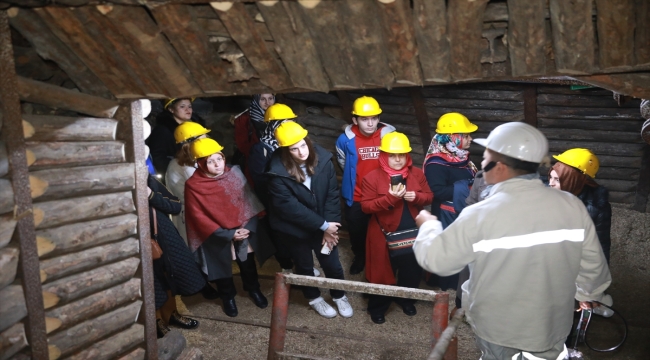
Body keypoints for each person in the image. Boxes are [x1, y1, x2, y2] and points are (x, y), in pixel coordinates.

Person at [413, 122, 611, 360]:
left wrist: (428, 226)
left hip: (498, 329)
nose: (483, 162)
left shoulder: (480, 214)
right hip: (552, 325)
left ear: (500, 166)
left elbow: (437, 260)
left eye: (486, 156)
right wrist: (586, 294)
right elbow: (593, 269)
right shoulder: (572, 206)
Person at [266, 121, 353, 319]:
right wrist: (324, 225)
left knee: (332, 264)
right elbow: (290, 209)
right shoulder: (276, 173)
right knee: (304, 265)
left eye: (303, 145)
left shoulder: (323, 160)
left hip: (324, 223)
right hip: (294, 229)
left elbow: (332, 194)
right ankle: (314, 298)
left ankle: (339, 295)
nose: (301, 152)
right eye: (294, 149)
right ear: (285, 151)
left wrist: (330, 227)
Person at [184, 138, 269, 317]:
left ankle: (253, 289)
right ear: (200, 163)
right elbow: (197, 217)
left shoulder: (235, 173)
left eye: (219, 159)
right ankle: (227, 296)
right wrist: (228, 234)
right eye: (210, 161)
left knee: (247, 263)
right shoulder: (194, 185)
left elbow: (249, 201)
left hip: (243, 229)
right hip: (216, 235)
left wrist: (246, 228)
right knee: (220, 267)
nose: (217, 164)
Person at [360, 132, 432, 324]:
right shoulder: (372, 177)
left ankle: (406, 300)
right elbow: (366, 207)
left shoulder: (417, 173)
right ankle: (378, 306)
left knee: (411, 271)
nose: (398, 159)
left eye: (402, 155)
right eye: (392, 155)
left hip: (413, 233)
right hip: (384, 234)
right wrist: (390, 198)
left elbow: (429, 196)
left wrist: (416, 197)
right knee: (382, 272)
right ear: (383, 155)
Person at [248, 104, 315, 274]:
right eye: (280, 122)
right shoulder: (261, 149)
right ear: (271, 126)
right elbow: (259, 178)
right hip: (275, 201)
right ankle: (287, 265)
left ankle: (304, 264)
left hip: (296, 196)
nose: (285, 126)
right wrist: (280, 190)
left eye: (288, 121)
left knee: (301, 230)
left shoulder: (294, 145)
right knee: (283, 234)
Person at [549, 148, 614, 319]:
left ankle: (596, 301)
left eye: (557, 179)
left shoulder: (596, 208)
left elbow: (601, 246)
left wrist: (595, 289)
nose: (550, 183)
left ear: (573, 180)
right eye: (550, 177)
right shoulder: (547, 195)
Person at [336, 96, 396, 275]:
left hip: (382, 195)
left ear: (378, 118)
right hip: (356, 196)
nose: (370, 124)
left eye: (374, 118)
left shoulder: (390, 136)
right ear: (355, 120)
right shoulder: (345, 140)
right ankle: (360, 257)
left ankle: (383, 259)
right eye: (364, 119)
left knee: (384, 229)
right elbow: (343, 163)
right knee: (357, 231)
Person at [148, 174, 205, 338]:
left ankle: (171, 314)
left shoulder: (150, 181)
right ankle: (156, 321)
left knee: (171, 276)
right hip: (138, 242)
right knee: (151, 283)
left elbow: (174, 206)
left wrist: (150, 195)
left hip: (164, 238)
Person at [165, 121, 210, 246]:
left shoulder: (198, 160)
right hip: (190, 217)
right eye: (203, 138)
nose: (207, 140)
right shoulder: (179, 165)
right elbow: (193, 195)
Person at [147, 98, 205, 174]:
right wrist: (175, 173)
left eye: (189, 106)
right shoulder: (163, 130)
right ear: (171, 109)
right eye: (182, 106)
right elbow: (158, 157)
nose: (187, 109)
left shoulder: (197, 126)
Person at [232, 94, 276, 177]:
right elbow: (242, 144)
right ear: (256, 100)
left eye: (270, 98)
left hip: (277, 159)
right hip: (256, 160)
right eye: (262, 99)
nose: (267, 102)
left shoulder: (279, 115)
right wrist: (259, 155)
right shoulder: (244, 118)